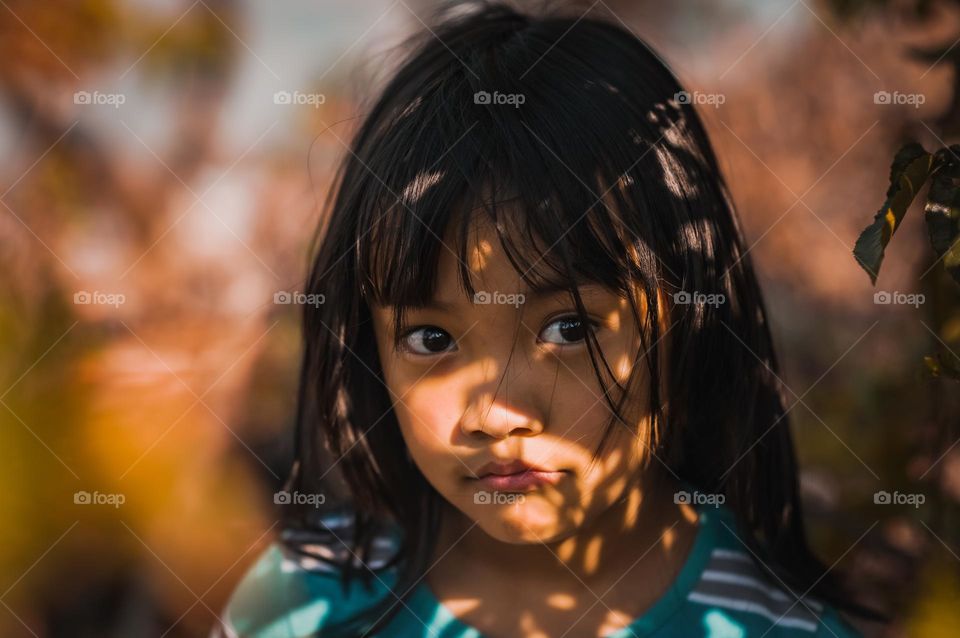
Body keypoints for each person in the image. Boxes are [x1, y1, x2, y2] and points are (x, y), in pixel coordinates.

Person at [213, 2, 881, 635]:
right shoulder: (299, 608)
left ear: (685, 316)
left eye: (569, 329)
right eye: (431, 338)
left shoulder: (775, 629)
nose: (498, 414)